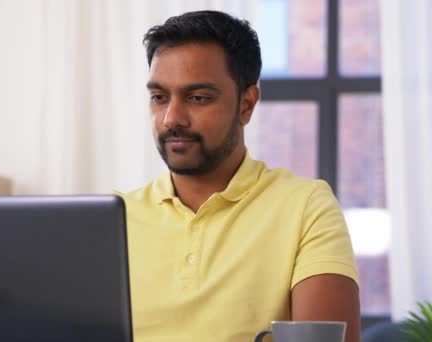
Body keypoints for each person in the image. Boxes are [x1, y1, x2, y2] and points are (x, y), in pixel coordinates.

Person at [118, 10, 360, 342]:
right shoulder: (115, 217)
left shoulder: (306, 207)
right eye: (159, 97)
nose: (171, 118)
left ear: (246, 105)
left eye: (198, 98)